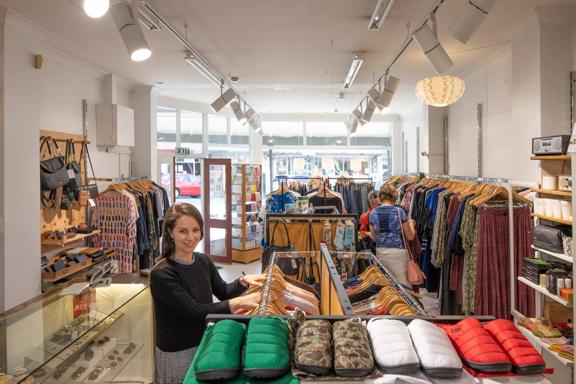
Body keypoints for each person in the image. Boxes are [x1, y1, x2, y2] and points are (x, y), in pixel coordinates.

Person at [151, 203, 264, 383]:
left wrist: (243, 281)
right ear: (170, 232)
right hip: (178, 352)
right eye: (183, 231)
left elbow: (224, 291)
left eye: (195, 230)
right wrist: (238, 304)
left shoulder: (203, 260)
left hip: (205, 343)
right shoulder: (162, 273)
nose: (191, 237)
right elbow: (192, 311)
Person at [369, 183, 416, 286]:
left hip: (381, 253)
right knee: (403, 288)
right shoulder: (399, 212)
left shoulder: (373, 213)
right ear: (394, 196)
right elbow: (410, 236)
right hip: (398, 254)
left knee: (386, 287)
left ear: (380, 196)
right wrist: (412, 224)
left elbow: (374, 237)